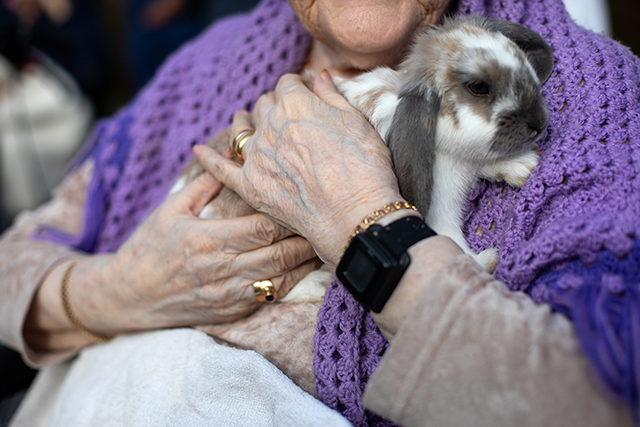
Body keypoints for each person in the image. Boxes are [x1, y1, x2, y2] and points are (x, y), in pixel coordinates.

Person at [0, 0, 638, 425]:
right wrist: (125, 290)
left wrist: (369, 225)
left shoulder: (582, 95)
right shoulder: (209, 65)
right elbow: (14, 261)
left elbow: (596, 399)